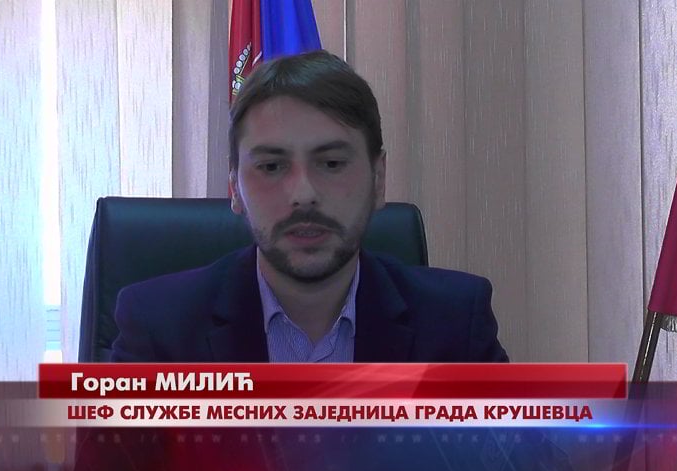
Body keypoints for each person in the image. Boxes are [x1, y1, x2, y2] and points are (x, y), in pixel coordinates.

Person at [110, 50, 508, 364]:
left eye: (331, 163)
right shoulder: (158, 327)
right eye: (271, 166)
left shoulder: (456, 322)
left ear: (378, 179)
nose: (303, 194)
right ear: (234, 188)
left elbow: (506, 449)